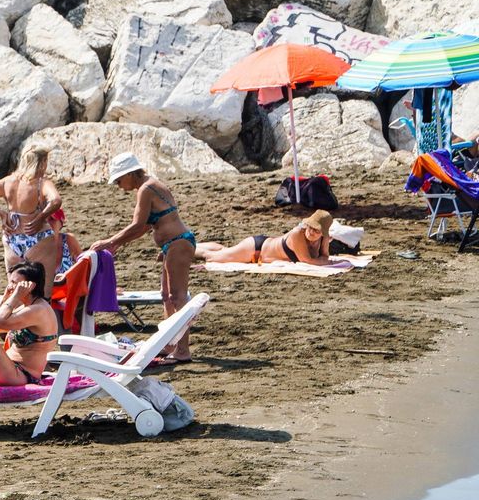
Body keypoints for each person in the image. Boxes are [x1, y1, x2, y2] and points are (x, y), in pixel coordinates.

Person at [89, 153, 195, 365]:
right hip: (172, 245)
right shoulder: (150, 185)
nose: (119, 186)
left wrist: (109, 241)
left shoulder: (146, 189)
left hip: (178, 243)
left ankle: (183, 350)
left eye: (119, 180)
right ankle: (170, 344)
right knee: (166, 296)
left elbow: (137, 225)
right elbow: (146, 225)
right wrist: (118, 243)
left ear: (130, 174)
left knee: (178, 297)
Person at [0, 146, 63, 296]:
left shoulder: (8, 181)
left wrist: (1, 213)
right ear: (43, 162)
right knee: (43, 293)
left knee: (15, 292)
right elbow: (56, 200)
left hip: (12, 238)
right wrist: (41, 217)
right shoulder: (42, 183)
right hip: (37, 237)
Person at [195, 210, 334, 266]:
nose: (311, 232)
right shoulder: (297, 233)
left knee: (224, 250)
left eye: (316, 230)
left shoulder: (324, 239)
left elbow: (325, 257)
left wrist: (324, 260)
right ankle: (185, 248)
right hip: (256, 249)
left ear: (323, 233)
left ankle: (194, 244)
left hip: (263, 247)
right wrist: (324, 261)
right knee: (211, 257)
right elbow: (307, 260)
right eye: (310, 227)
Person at [46, 208, 83, 280]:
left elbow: (84, 268)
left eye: (52, 219)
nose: (48, 224)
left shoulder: (69, 241)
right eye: (43, 221)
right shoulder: (31, 244)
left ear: (61, 222)